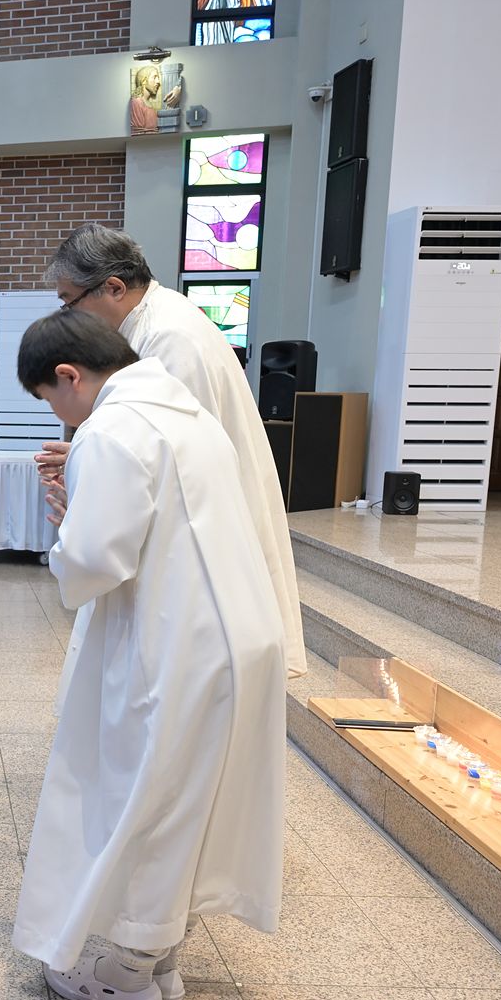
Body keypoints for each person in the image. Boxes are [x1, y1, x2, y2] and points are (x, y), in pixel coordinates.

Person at [9, 310, 285, 1000]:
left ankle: (127, 971)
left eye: (50, 399)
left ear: (69, 376)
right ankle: (160, 958)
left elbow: (97, 560)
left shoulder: (112, 428)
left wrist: (66, 531)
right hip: (236, 634)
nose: (59, 416)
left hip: (175, 643)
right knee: (191, 800)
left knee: (145, 796)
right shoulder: (188, 413)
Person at [45, 223, 307, 678]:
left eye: (70, 302)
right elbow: (148, 441)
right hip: (186, 535)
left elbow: (176, 457)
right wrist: (85, 459)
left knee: (176, 683)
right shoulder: (153, 324)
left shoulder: (169, 338)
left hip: (196, 552)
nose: (69, 318)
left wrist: (95, 468)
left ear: (113, 287)